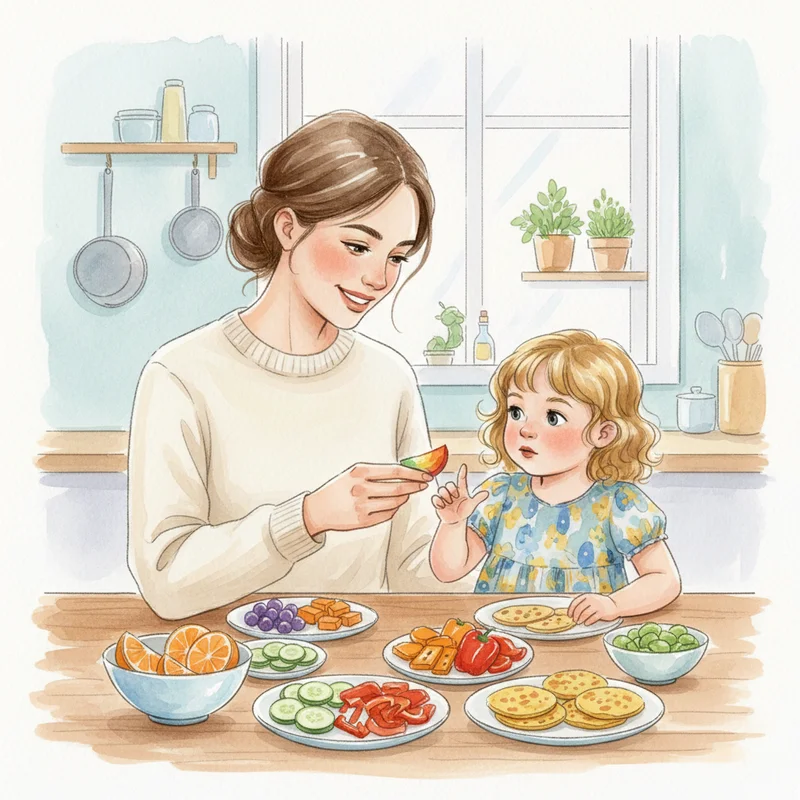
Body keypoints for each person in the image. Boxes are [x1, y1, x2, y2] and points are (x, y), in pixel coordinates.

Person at [128, 110, 455, 620]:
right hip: (229, 667)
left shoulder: (389, 381)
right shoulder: (182, 375)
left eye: (396, 256)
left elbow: (413, 570)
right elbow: (166, 577)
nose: (378, 278)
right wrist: (308, 517)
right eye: (358, 245)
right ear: (288, 227)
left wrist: (474, 538)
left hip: (366, 681)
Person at [429, 330, 681, 623]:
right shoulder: (500, 494)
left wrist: (614, 605)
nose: (526, 429)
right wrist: (453, 524)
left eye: (552, 417)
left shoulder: (619, 503)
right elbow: (449, 571)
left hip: (586, 639)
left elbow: (664, 579)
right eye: (516, 411)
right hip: (504, 641)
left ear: (603, 433)